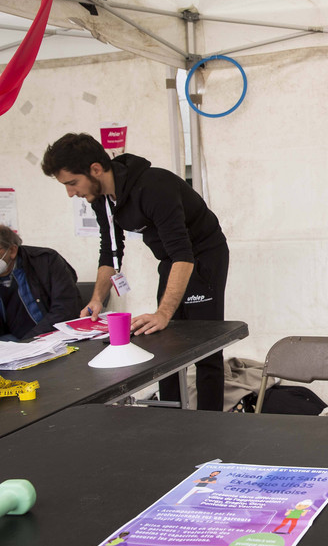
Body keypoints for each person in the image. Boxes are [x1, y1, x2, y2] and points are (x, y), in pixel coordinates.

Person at [41, 133, 229, 411]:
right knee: (166, 343)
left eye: (72, 183)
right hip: (171, 260)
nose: (71, 193)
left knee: (206, 346)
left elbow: (184, 255)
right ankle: (170, 417)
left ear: (95, 169)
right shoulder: (103, 198)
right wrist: (96, 300)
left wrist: (163, 312)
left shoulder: (154, 187)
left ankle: (212, 422)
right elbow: (111, 252)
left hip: (202, 257)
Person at [0, 225, 83, 341]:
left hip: (47, 338)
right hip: (9, 344)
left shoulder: (46, 260)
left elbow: (65, 309)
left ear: (12, 251)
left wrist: (27, 342)